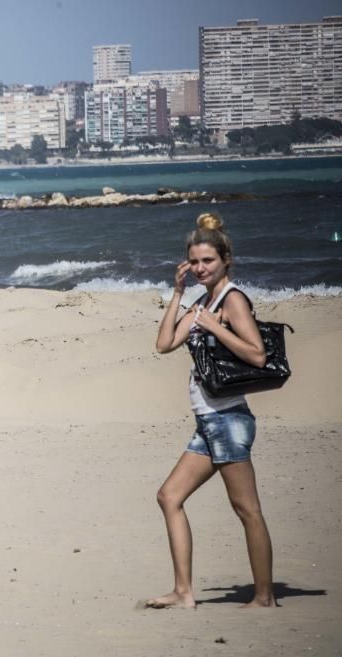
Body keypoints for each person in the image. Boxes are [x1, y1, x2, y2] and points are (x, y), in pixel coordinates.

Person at [148, 212, 274, 609]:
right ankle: (183, 592)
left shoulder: (233, 299)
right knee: (169, 496)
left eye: (208, 261)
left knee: (247, 509)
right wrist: (178, 294)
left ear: (226, 259)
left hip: (229, 420)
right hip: (208, 422)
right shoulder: (203, 301)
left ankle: (265, 597)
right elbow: (164, 343)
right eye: (195, 262)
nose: (201, 268)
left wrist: (218, 327)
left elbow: (257, 354)